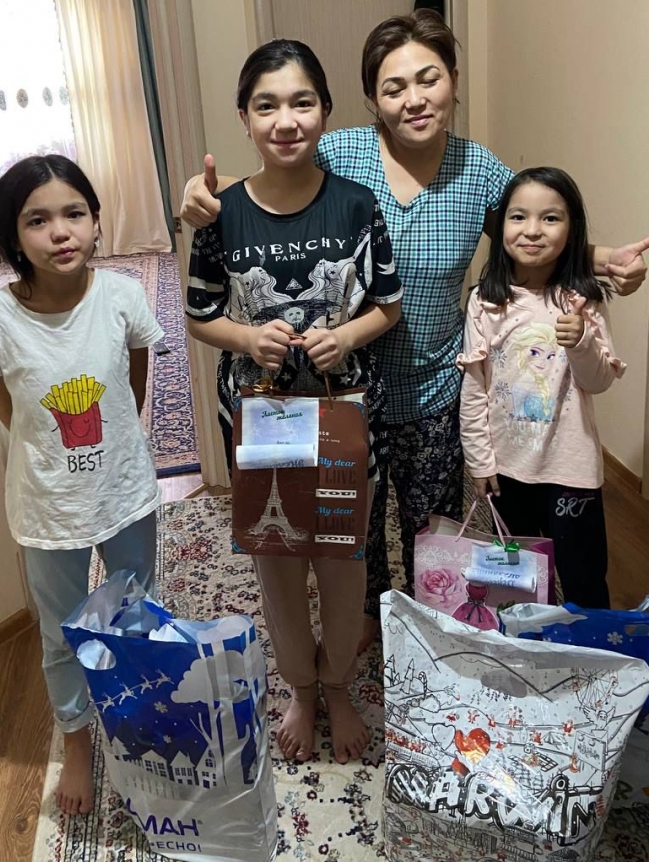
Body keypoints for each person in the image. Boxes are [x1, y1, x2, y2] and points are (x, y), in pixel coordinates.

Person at [180, 10, 649, 648]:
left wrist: (603, 258)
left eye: (428, 79)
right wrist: (199, 195)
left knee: (432, 529)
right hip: (346, 387)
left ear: (453, 80)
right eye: (394, 87)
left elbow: (532, 228)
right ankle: (369, 622)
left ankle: (430, 628)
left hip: (435, 388)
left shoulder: (479, 171)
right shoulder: (342, 152)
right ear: (372, 99)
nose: (414, 100)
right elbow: (271, 180)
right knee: (357, 524)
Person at [184, 39, 402, 764]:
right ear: (244, 118)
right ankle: (301, 692)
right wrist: (248, 337)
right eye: (266, 105)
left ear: (326, 111)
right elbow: (200, 314)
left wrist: (347, 335)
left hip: (344, 419)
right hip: (259, 422)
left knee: (342, 563)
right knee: (278, 567)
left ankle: (337, 686)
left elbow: (389, 305)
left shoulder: (355, 203)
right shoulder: (221, 212)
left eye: (302, 102)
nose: (286, 120)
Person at [0, 155, 164, 815]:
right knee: (60, 633)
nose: (60, 232)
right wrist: (58, 460)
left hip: (125, 491)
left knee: (135, 613)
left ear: (96, 220)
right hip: (47, 508)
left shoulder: (123, 296)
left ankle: (139, 716)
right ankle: (77, 737)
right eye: (37, 220)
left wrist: (110, 450)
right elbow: (12, 413)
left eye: (74, 213)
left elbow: (132, 385)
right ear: (11, 235)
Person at [458, 167, 623, 608]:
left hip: (571, 469)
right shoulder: (485, 301)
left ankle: (590, 646)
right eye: (518, 217)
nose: (532, 230)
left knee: (584, 577)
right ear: (501, 227)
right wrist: (479, 460)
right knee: (521, 581)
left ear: (572, 229)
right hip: (508, 469)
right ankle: (530, 642)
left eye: (550, 218)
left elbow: (598, 382)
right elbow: (474, 389)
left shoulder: (582, 299)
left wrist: (581, 342)